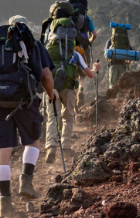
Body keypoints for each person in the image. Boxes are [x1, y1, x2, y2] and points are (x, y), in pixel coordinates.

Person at [0, 15, 58, 218]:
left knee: (3, 151)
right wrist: (50, 95)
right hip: (25, 102)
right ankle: (26, 181)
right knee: (32, 143)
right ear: (25, 27)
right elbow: (46, 76)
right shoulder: (34, 44)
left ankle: (5, 203)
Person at [44, 30, 102, 164]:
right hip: (69, 89)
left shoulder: (47, 51)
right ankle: (66, 146)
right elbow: (90, 74)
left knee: (53, 117)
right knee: (68, 117)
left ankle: (51, 147)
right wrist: (96, 69)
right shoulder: (75, 54)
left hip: (51, 89)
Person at [67, 0, 97, 108]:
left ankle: (73, 98)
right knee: (83, 75)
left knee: (73, 75)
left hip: (70, 48)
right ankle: (81, 92)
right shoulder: (87, 18)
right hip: (83, 49)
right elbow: (95, 34)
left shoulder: (68, 19)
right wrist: (89, 42)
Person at [105, 22, 134, 90]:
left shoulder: (110, 41)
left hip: (113, 64)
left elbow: (106, 54)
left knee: (113, 85)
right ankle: (120, 99)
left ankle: (113, 99)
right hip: (122, 64)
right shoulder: (125, 41)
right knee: (122, 85)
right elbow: (131, 53)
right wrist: (128, 61)